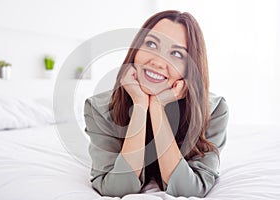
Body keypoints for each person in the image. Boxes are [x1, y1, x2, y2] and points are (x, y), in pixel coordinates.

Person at [84, 10, 229, 198]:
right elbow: (115, 189)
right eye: (151, 44)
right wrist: (140, 104)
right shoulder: (98, 109)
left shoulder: (215, 110)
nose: (158, 62)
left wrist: (158, 106)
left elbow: (191, 190)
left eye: (177, 53)